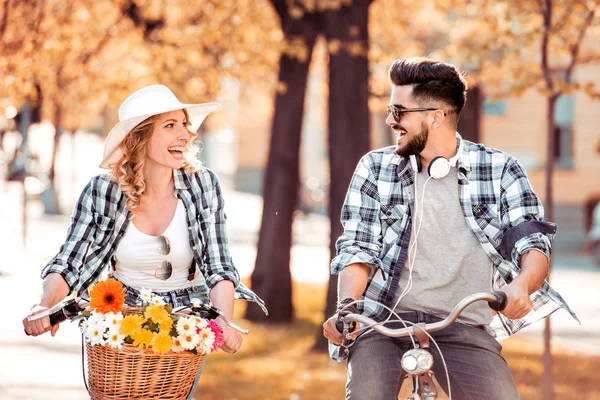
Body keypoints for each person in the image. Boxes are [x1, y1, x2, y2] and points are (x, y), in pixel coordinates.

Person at [322, 57, 578, 399]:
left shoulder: (500, 169)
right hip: (382, 324)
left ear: (435, 116)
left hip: (463, 325)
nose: (389, 119)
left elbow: (531, 243)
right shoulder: (375, 167)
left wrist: (522, 285)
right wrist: (347, 310)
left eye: (398, 111)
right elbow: (357, 248)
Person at [22, 84, 267, 399]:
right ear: (139, 137)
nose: (185, 135)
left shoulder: (202, 184)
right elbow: (71, 260)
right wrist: (44, 307)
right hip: (120, 318)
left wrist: (224, 323)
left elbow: (218, 264)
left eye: (184, 125)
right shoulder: (103, 191)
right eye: (170, 126)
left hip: (186, 320)